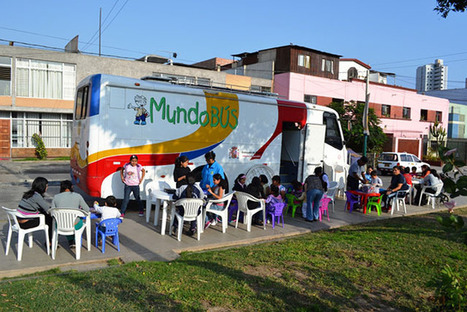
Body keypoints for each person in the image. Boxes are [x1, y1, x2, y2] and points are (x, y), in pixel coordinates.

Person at [51, 180, 90, 248]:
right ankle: (74, 240)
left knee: (65, 221)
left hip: (60, 225)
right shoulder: (78, 196)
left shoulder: (56, 197)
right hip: (75, 225)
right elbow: (87, 209)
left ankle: (71, 240)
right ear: (71, 187)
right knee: (78, 221)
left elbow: (52, 212)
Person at [17, 177, 53, 247]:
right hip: (26, 223)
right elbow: (48, 210)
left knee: (45, 215)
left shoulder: (28, 194)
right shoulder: (37, 196)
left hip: (19, 220)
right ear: (42, 187)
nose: (47, 187)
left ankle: (49, 241)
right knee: (50, 220)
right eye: (46, 186)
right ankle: (49, 242)